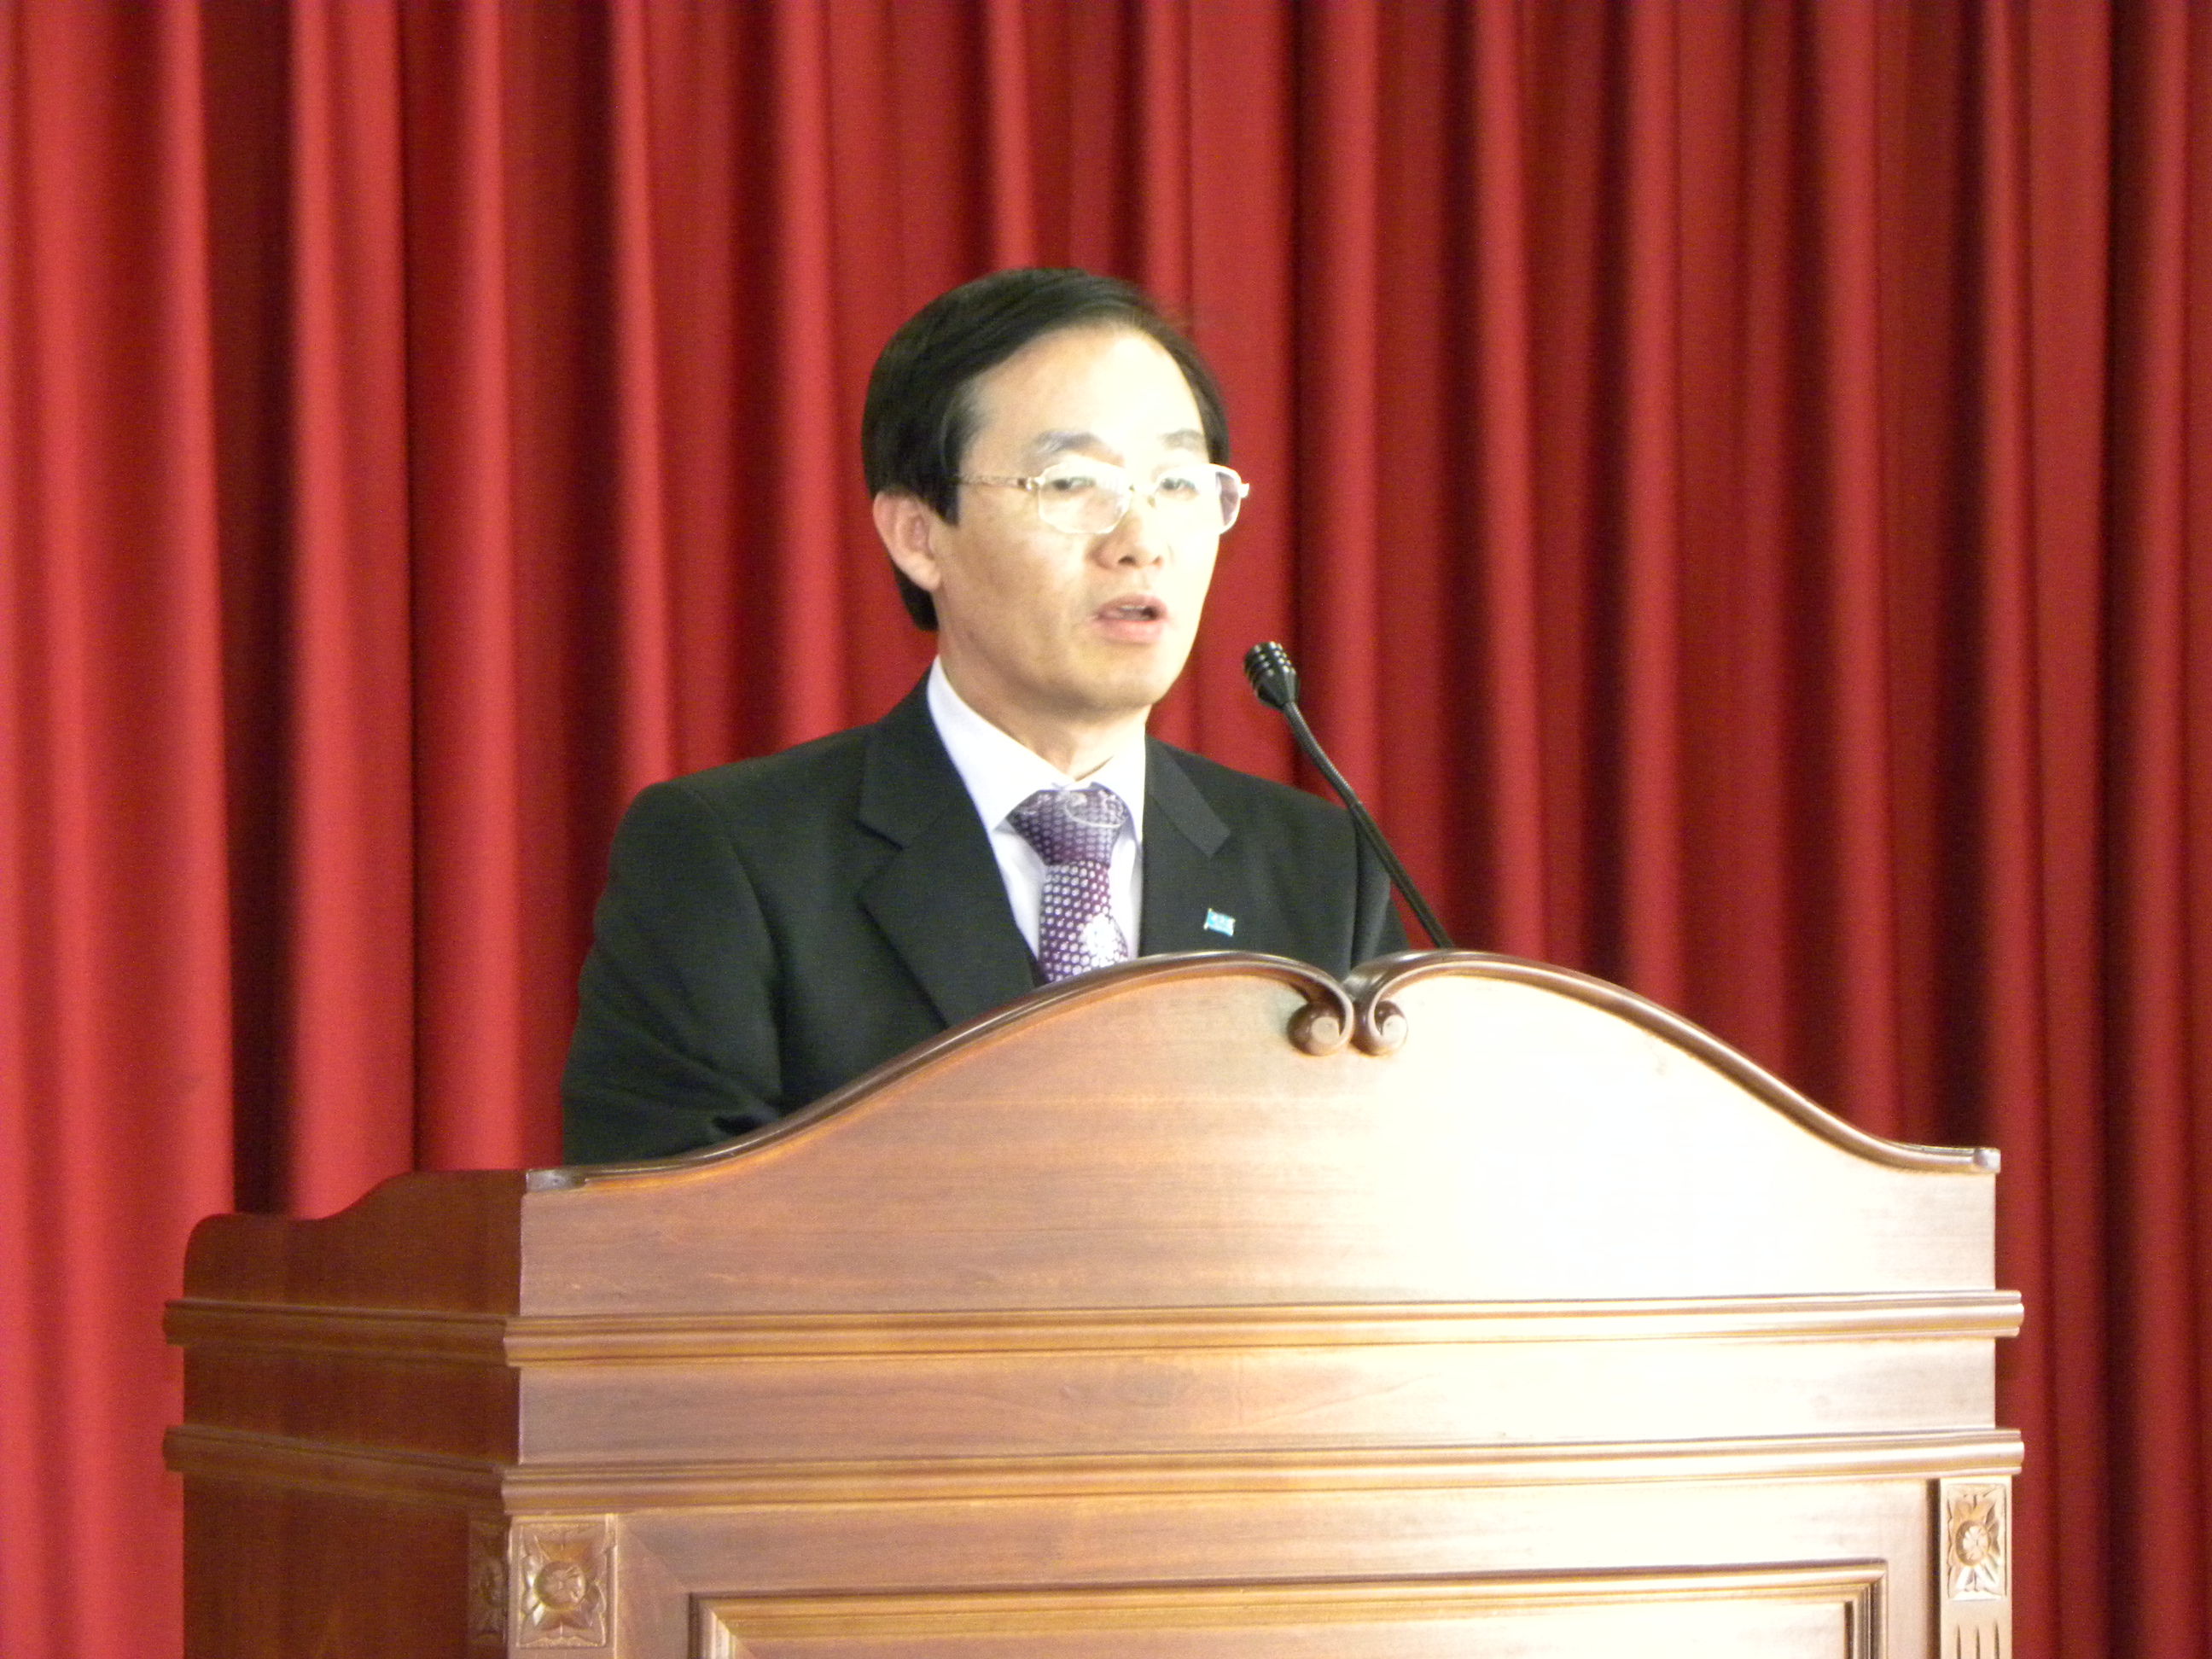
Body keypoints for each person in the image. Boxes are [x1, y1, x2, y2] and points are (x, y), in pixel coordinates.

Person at [562, 268, 1405, 1162]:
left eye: (1178, 483)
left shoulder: (1323, 870)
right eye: (1072, 483)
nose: (1141, 541)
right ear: (919, 534)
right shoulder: (733, 857)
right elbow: (652, 1225)